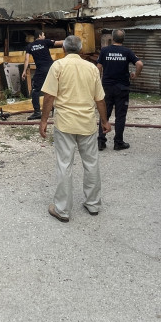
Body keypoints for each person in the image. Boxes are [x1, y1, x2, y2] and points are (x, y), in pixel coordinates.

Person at [39, 35, 110, 221]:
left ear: (64, 49)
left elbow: (48, 97)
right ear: (80, 50)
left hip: (65, 123)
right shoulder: (92, 68)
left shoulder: (58, 66)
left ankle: (62, 210)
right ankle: (93, 204)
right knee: (91, 163)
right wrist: (104, 121)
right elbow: (100, 99)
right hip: (87, 123)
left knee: (64, 165)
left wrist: (44, 120)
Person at [96, 29, 143, 151]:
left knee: (104, 114)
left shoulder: (105, 51)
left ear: (112, 38)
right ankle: (118, 142)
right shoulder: (127, 52)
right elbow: (139, 64)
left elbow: (99, 67)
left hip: (107, 87)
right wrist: (135, 75)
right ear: (123, 39)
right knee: (120, 116)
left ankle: (101, 141)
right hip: (122, 88)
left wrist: (98, 82)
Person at [22, 31, 58, 121]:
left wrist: (24, 71)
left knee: (35, 90)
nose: (44, 36)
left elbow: (26, 60)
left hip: (41, 70)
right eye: (43, 34)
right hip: (51, 68)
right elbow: (60, 42)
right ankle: (55, 110)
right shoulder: (45, 42)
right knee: (54, 88)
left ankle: (37, 112)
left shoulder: (29, 46)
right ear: (39, 36)